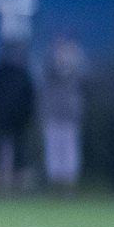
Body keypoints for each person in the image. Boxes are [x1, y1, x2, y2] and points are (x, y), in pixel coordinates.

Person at [0, 40, 36, 193]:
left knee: (19, 151)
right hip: (2, 118)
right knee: (2, 149)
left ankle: (16, 184)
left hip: (19, 120)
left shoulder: (23, 73)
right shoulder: (1, 72)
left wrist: (26, 114)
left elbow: (29, 96)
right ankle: (1, 182)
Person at [40, 37, 86, 194]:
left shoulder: (75, 71)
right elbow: (49, 70)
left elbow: (83, 74)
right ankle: (55, 184)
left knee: (69, 151)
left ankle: (69, 184)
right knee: (53, 150)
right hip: (53, 115)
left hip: (70, 116)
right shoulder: (50, 69)